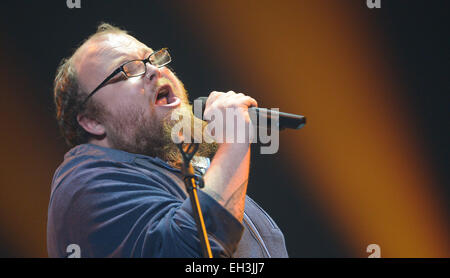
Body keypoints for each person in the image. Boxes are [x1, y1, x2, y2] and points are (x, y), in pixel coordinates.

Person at [47, 23, 288, 258]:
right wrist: (235, 140)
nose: (155, 70)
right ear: (92, 121)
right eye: (128, 69)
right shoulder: (85, 184)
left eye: (153, 59)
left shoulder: (187, 169)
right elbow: (194, 249)